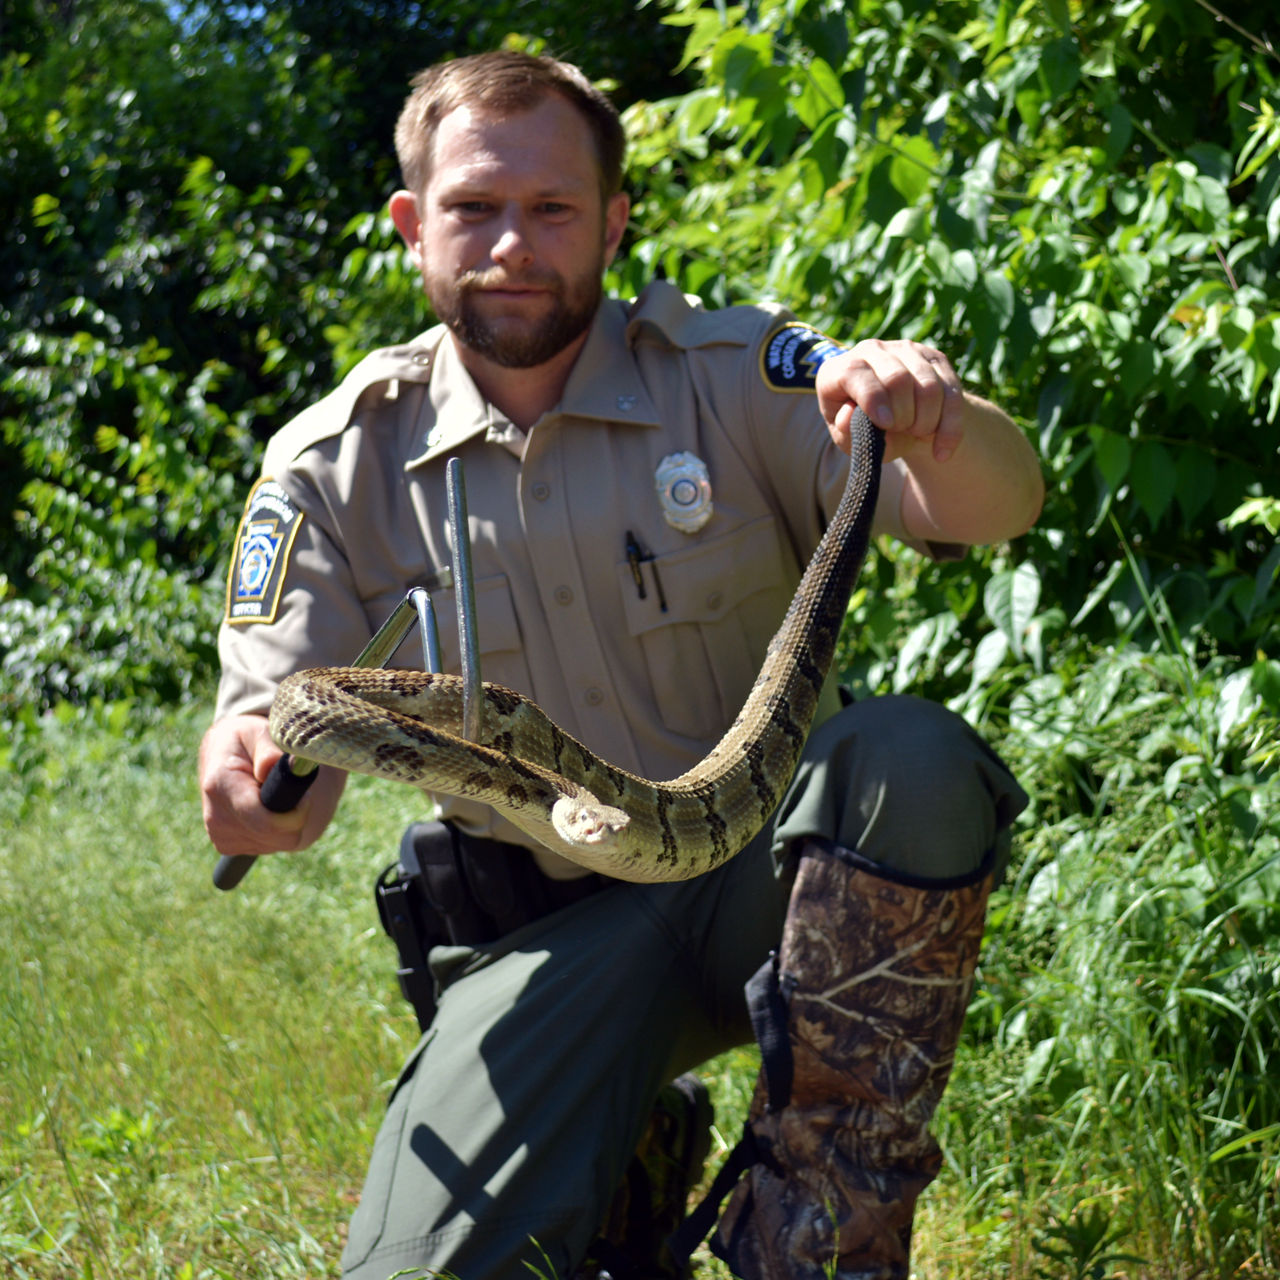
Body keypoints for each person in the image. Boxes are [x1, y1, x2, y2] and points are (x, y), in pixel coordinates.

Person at [198, 50, 1043, 1280]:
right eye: (472, 208)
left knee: (905, 757)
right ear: (409, 225)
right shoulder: (330, 470)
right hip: (544, 935)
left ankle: (816, 1222)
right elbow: (269, 766)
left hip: (771, 889)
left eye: (551, 209)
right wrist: (254, 791)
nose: (512, 244)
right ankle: (634, 1151)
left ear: (613, 221)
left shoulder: (732, 375)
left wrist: (937, 419)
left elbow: (996, 507)